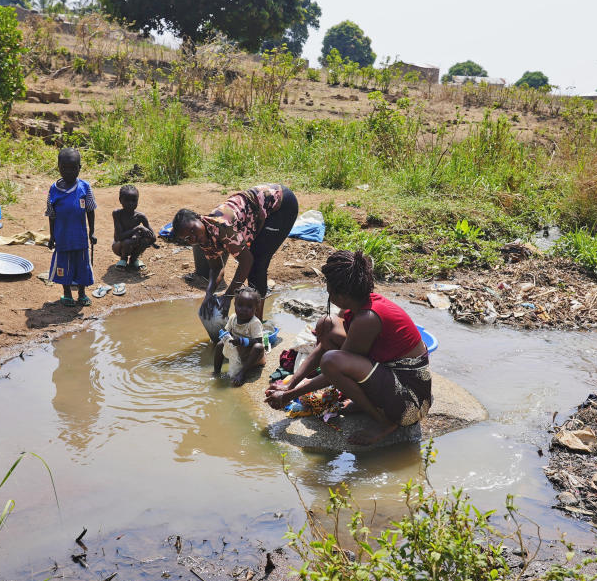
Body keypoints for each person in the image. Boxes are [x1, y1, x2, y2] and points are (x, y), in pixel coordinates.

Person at [264, 250, 431, 446]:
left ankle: (384, 422)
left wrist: (289, 396)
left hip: (410, 402)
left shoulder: (367, 318)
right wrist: (290, 384)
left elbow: (333, 368)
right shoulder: (357, 303)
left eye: (329, 288)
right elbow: (326, 344)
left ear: (340, 295)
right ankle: (368, 404)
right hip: (391, 379)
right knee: (326, 324)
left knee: (331, 361)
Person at [171, 183, 299, 322]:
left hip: (280, 203)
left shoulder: (221, 226)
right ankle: (254, 323)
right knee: (254, 261)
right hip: (259, 212)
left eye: (192, 230)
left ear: (199, 218)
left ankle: (257, 324)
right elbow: (216, 268)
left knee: (256, 265)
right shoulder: (203, 239)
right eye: (188, 238)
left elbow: (246, 261)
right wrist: (208, 295)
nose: (193, 237)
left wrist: (228, 296)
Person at [46, 147, 96, 307]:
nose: (68, 172)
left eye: (73, 168)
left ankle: (82, 294)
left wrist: (92, 233)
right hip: (62, 237)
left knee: (82, 266)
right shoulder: (54, 189)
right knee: (63, 266)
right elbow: (51, 215)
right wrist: (52, 236)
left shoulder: (85, 187)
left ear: (79, 168)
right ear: (58, 167)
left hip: (80, 238)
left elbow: (90, 210)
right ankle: (67, 294)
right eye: (64, 168)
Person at [214, 286, 266, 387]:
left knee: (258, 347)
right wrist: (223, 335)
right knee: (220, 344)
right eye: (240, 305)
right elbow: (226, 331)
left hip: (252, 357)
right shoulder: (233, 318)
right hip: (237, 352)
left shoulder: (254, 322)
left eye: (249, 307)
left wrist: (242, 341)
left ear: (256, 309)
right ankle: (216, 372)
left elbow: (258, 341)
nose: (243, 309)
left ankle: (242, 373)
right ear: (234, 305)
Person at [111, 185, 157, 270]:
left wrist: (141, 234)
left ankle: (134, 259)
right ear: (120, 200)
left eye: (134, 200)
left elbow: (153, 238)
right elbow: (119, 237)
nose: (130, 203)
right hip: (119, 246)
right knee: (128, 241)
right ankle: (123, 259)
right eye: (127, 200)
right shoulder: (117, 214)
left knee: (145, 240)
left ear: (138, 201)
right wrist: (137, 229)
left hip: (134, 245)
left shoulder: (140, 216)